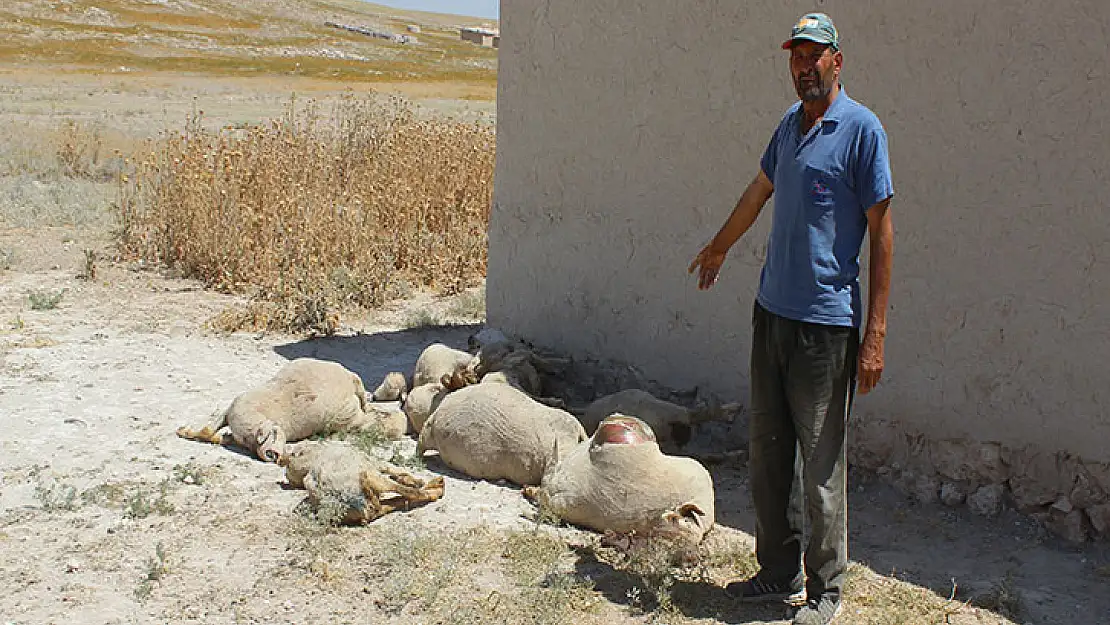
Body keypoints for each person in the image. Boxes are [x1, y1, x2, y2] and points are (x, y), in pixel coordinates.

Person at [687, 12, 894, 625]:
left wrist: (875, 332)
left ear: (837, 61)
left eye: (814, 56)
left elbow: (882, 235)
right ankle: (776, 573)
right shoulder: (790, 126)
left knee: (822, 463)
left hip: (826, 326)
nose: (803, 66)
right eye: (795, 57)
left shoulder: (862, 130)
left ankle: (826, 588)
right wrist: (721, 244)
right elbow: (758, 193)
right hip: (771, 314)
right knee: (769, 454)